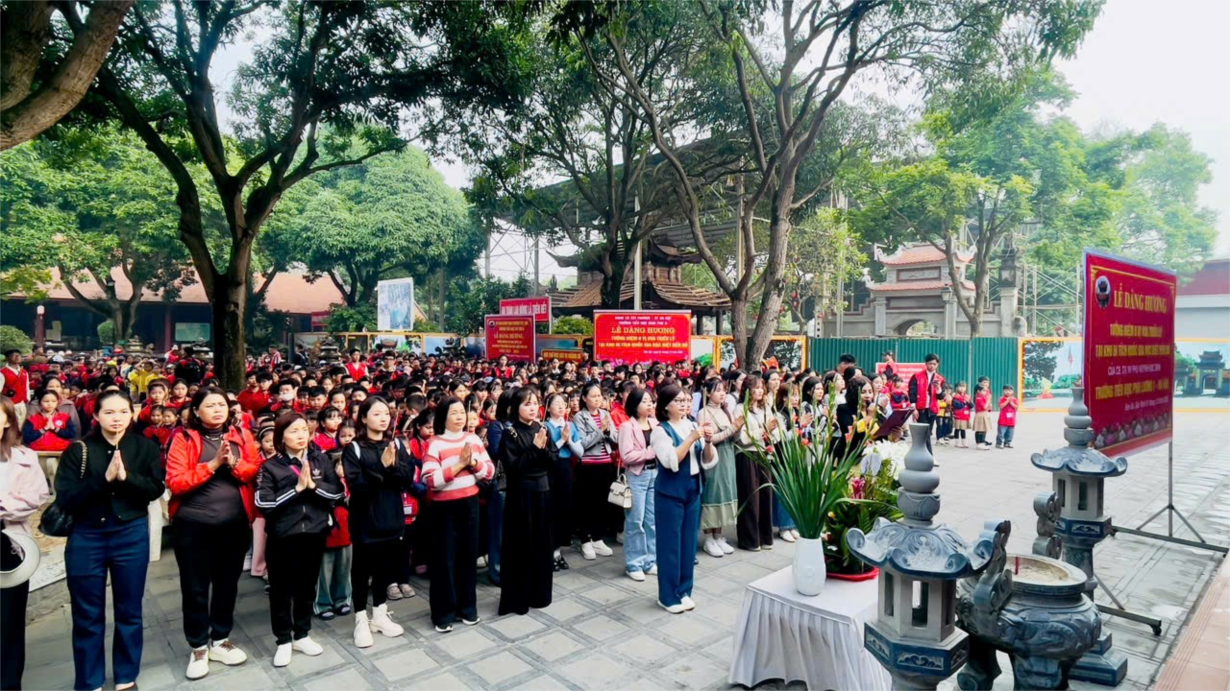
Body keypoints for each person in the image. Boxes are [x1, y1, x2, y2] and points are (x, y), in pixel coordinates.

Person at [55, 390, 164, 691]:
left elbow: (155, 488)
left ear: (132, 414)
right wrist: (103, 480)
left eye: (123, 412)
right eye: (109, 412)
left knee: (129, 610)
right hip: (86, 536)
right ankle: (90, 681)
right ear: (96, 416)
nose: (117, 418)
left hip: (130, 534)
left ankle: (126, 677)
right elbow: (66, 497)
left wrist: (126, 478)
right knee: (87, 613)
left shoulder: (144, 447)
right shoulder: (78, 450)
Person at [165, 386, 263, 680]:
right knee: (195, 588)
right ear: (196, 411)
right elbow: (175, 482)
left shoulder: (241, 435)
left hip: (234, 525)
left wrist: (233, 464)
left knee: (227, 584)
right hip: (193, 526)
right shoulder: (183, 438)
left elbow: (254, 470)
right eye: (210, 405)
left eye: (222, 404)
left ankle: (220, 639)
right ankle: (198, 647)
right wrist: (212, 465)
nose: (218, 410)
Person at [255, 413, 345, 667]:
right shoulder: (270, 467)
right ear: (281, 436)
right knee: (281, 591)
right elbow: (263, 503)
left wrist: (313, 487)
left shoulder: (320, 459)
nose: (301, 435)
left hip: (314, 534)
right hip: (283, 536)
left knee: (307, 587)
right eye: (293, 431)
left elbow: (337, 492)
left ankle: (302, 634)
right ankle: (283, 640)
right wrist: (296, 489)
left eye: (304, 429)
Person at [341, 397, 413, 647]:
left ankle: (380, 614)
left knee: (385, 566)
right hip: (365, 518)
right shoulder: (354, 449)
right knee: (362, 569)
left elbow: (407, 478)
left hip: (391, 515)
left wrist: (392, 468)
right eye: (376, 414)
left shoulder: (395, 443)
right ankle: (361, 618)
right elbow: (357, 486)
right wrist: (382, 469)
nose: (383, 419)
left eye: (386, 414)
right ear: (363, 418)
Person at [423, 396, 494, 632]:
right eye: (453, 413)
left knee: (467, 557)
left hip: (469, 505)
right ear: (443, 417)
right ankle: (443, 613)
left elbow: (489, 472)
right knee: (444, 560)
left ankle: (467, 608)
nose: (460, 417)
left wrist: (472, 462)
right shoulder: (434, 443)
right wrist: (458, 466)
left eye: (462, 412)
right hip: (443, 509)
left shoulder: (473, 439)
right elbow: (431, 480)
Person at [650, 383, 716, 614]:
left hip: (693, 488)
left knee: (688, 544)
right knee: (670, 545)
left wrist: (708, 441)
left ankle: (684, 591)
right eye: (678, 401)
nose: (684, 404)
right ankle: (668, 596)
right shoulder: (660, 431)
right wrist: (691, 438)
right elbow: (671, 460)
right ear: (666, 406)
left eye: (687, 400)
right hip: (670, 492)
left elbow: (707, 459)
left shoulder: (693, 425)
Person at [0, 395, 51, 691]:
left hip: (9, 545)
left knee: (8, 623)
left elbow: (35, 496)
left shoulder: (24, 457)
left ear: (8, 420)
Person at [498, 387, 556, 615]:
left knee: (542, 544)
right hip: (520, 495)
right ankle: (518, 599)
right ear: (516, 408)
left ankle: (539, 594)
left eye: (535, 403)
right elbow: (513, 467)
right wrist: (534, 449)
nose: (532, 408)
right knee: (520, 545)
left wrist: (541, 450)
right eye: (527, 404)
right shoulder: (510, 433)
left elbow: (552, 460)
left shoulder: (542, 429)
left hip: (543, 491)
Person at [571, 382, 619, 560]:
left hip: (606, 463)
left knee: (601, 503)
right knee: (586, 504)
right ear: (584, 398)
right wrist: (601, 430)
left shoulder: (606, 414)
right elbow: (583, 443)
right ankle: (585, 540)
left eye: (599, 396)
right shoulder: (579, 417)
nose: (597, 399)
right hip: (588, 464)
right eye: (593, 396)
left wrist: (609, 431)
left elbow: (615, 438)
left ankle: (598, 538)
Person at [616, 388, 659, 581]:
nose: (649, 404)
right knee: (635, 520)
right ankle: (634, 563)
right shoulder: (627, 427)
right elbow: (627, 455)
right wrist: (650, 452)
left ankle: (650, 561)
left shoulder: (655, 423)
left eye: (650, 401)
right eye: (644, 401)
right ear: (634, 405)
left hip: (655, 474)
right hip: (637, 476)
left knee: (652, 520)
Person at [697, 379, 742, 558]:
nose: (722, 393)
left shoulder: (725, 411)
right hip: (714, 457)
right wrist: (732, 429)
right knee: (713, 493)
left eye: (724, 390)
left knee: (726, 492)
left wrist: (738, 428)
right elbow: (709, 439)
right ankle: (708, 537)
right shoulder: (703, 413)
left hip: (728, 456)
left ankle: (718, 535)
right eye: (718, 390)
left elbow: (734, 436)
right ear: (708, 393)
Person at [735, 374, 775, 552]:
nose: (760, 391)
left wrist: (771, 432)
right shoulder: (740, 409)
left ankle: (765, 537)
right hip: (747, 455)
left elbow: (775, 433)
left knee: (766, 495)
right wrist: (764, 430)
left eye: (761, 387)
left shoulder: (765, 408)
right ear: (748, 390)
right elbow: (742, 438)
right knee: (750, 496)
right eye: (756, 387)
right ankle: (749, 539)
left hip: (764, 453)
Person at [541, 392, 581, 572]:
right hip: (550, 469)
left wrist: (569, 440)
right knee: (551, 509)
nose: (561, 406)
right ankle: (550, 550)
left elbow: (580, 452)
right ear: (548, 407)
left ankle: (557, 550)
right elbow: (547, 454)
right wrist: (562, 440)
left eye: (563, 403)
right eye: (556, 403)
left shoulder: (570, 425)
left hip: (566, 468)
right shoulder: (544, 426)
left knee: (565, 508)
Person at [909, 354, 944, 450]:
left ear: (937, 364)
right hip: (921, 408)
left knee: (927, 433)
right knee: (926, 433)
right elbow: (912, 392)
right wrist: (913, 408)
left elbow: (941, 396)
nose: (932, 366)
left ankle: (921, 453)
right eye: (930, 363)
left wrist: (938, 388)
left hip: (932, 409)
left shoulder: (940, 378)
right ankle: (929, 455)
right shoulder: (917, 376)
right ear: (926, 363)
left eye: (934, 364)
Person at [1, 351, 30, 426]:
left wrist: (27, 400)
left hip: (22, 404)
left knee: (22, 425)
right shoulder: (2, 372)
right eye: (13, 355)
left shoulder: (24, 372)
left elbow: (27, 388)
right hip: (9, 404)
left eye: (18, 355)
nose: (17, 357)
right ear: (7, 358)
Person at [973, 378, 994, 450]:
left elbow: (987, 406)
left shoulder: (982, 397)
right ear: (978, 391)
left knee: (983, 429)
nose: (986, 392)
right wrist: (988, 400)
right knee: (980, 429)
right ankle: (980, 443)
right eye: (984, 391)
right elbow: (984, 407)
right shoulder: (979, 398)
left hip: (984, 414)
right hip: (981, 414)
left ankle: (982, 442)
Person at [951, 382, 972, 448]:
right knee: (957, 429)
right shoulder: (955, 397)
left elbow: (972, 406)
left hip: (965, 416)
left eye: (963, 387)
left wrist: (969, 402)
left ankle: (964, 443)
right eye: (960, 387)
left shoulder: (967, 396)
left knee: (963, 429)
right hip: (958, 416)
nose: (962, 388)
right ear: (956, 388)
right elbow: (958, 406)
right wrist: (964, 402)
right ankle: (957, 443)